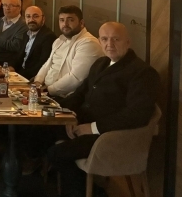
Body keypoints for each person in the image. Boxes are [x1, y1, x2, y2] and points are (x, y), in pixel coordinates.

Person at [46, 22, 159, 196]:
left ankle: (90, 192)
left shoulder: (142, 73)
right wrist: (69, 115)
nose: (109, 44)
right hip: (82, 123)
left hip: (109, 137)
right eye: (105, 39)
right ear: (99, 41)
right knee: (42, 130)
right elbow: (80, 93)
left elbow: (137, 115)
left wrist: (92, 128)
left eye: (116, 39)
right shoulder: (101, 63)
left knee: (57, 153)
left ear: (128, 42)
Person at [33, 5, 104, 98]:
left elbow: (76, 78)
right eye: (62, 20)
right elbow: (47, 64)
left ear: (81, 23)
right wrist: (37, 83)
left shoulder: (88, 43)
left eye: (70, 20)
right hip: (45, 91)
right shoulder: (59, 40)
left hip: (65, 97)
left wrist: (47, 90)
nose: (65, 24)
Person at [18, 6, 57, 80]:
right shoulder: (26, 34)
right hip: (20, 73)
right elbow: (19, 55)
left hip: (32, 77)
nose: (31, 20)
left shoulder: (48, 37)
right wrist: (11, 67)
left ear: (43, 19)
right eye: (28, 16)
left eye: (35, 16)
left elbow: (42, 64)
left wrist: (21, 75)